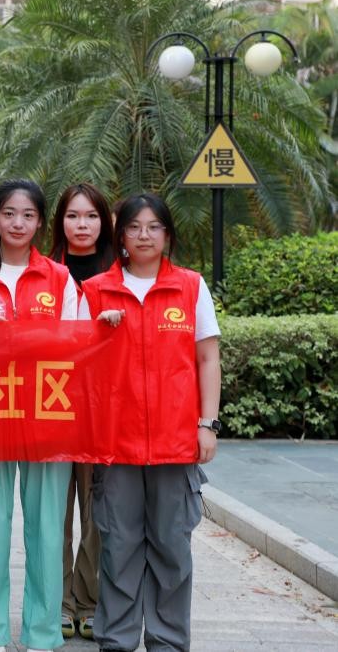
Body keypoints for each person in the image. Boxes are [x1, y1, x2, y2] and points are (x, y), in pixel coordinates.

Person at [80, 193, 221, 652]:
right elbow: (75, 362)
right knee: (118, 547)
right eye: (134, 227)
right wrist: (96, 330)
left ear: (167, 234)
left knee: (172, 547)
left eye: (153, 227)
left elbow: (207, 358)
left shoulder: (191, 287)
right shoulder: (95, 291)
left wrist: (208, 424)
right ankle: (117, 641)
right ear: (120, 236)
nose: (144, 235)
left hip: (175, 443)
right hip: (114, 443)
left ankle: (168, 641)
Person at [0, 178, 78, 652]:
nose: (18, 223)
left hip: (47, 416)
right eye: (9, 213)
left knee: (47, 530)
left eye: (28, 215)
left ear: (40, 222)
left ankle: (42, 633)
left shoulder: (60, 279)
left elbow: (74, 345)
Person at [47, 183, 115, 642]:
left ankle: (88, 602)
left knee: (97, 513)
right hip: (52, 409)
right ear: (60, 222)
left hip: (101, 411)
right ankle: (57, 602)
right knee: (54, 512)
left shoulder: (120, 275)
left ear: (104, 222)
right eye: (73, 216)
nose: (82, 225)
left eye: (91, 216)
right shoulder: (45, 274)